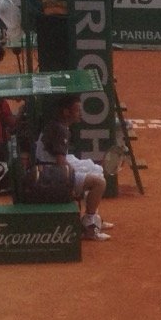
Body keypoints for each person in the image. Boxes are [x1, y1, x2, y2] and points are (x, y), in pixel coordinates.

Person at [35, 100, 109, 240]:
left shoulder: (58, 125)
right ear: (66, 112)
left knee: (96, 169)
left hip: (49, 169)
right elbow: (61, 163)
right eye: (76, 110)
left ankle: (95, 220)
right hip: (51, 176)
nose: (80, 113)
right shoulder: (60, 130)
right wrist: (73, 180)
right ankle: (89, 227)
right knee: (99, 183)